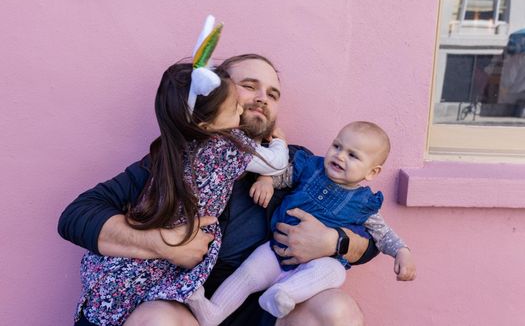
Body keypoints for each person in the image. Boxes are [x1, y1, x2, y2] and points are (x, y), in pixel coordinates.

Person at [59, 54, 378, 326]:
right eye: (250, 86)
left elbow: (371, 239)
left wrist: (336, 241)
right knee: (159, 322)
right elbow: (77, 216)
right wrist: (164, 243)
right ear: (217, 93)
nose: (262, 98)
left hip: (258, 305)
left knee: (338, 311)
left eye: (273, 94)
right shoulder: (173, 161)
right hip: (181, 302)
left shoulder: (297, 165)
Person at [187, 122, 416, 325]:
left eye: (353, 155)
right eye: (337, 146)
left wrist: (402, 252)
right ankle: (212, 313)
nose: (340, 156)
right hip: (277, 250)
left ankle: (283, 294)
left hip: (314, 265)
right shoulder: (311, 169)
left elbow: (382, 234)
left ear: (372, 172)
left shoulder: (365, 202)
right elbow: (281, 174)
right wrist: (267, 180)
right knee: (248, 274)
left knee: (335, 271)